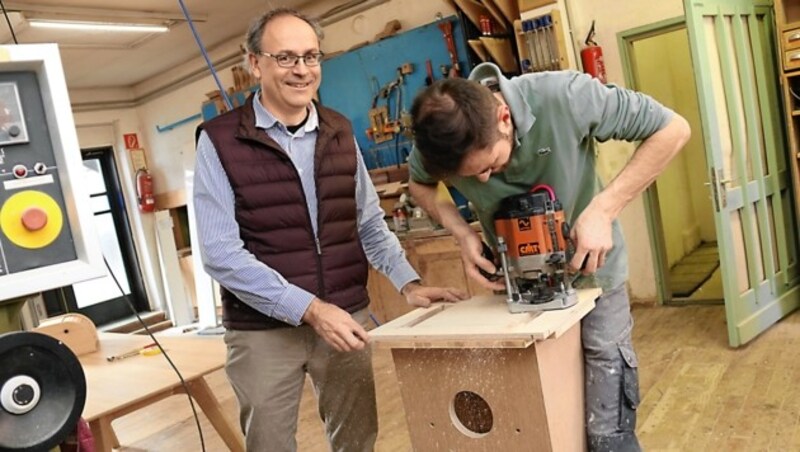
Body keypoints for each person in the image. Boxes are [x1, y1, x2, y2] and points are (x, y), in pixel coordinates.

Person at [193, 8, 467, 452]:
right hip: (262, 333)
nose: (301, 70)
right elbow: (220, 253)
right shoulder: (219, 140)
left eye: (310, 56)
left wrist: (408, 282)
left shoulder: (340, 130)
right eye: (285, 58)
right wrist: (311, 309)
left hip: (347, 318)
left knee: (358, 440)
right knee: (269, 445)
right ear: (254, 63)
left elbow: (368, 223)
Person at [407, 62, 691, 451]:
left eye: (491, 165)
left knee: (607, 431)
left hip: (593, 279)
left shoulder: (564, 96)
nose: (485, 181)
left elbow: (673, 129)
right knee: (535, 424)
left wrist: (604, 208)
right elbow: (419, 184)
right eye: (470, 178)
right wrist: (460, 232)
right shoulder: (440, 136)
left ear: (504, 117)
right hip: (515, 291)